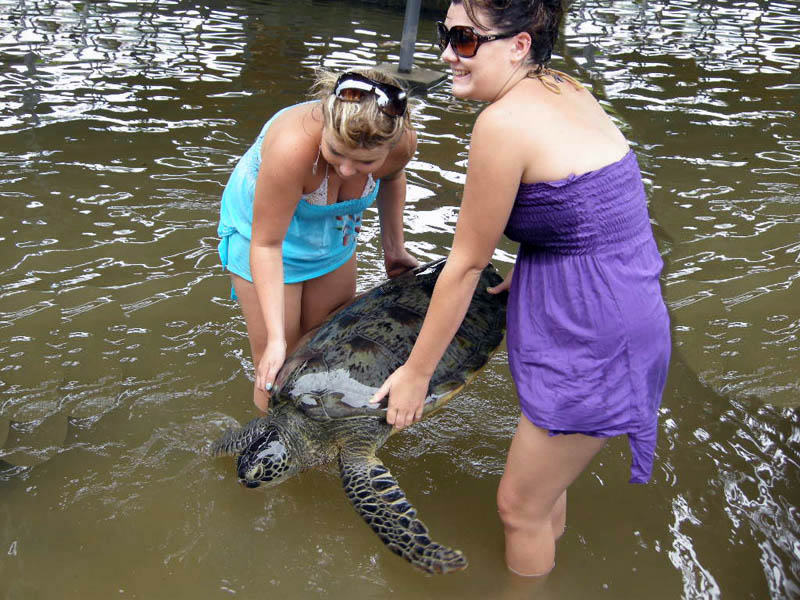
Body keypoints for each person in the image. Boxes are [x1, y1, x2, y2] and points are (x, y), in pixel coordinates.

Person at [370, 0, 671, 578]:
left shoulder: (502, 124)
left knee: (517, 507)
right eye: (447, 35)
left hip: (597, 328)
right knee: (541, 492)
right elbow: (600, 205)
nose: (445, 55)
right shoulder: (562, 86)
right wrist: (543, 265)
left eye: (464, 40)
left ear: (519, 44)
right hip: (606, 300)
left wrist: (416, 372)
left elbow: (462, 266)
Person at [218, 69, 419, 414]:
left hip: (332, 236)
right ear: (325, 125)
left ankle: (326, 441)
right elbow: (266, 245)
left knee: (330, 347)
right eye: (335, 152)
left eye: (364, 162)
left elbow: (393, 179)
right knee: (278, 371)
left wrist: (394, 250)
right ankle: (272, 452)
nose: (345, 169)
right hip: (264, 237)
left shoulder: (401, 145)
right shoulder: (292, 149)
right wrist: (277, 339)